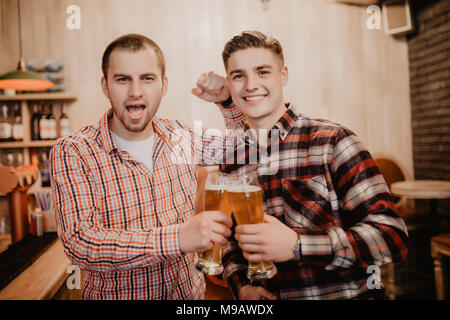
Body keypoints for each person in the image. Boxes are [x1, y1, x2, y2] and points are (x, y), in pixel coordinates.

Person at [194, 31, 409, 300]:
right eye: (239, 75)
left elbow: (392, 237)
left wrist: (298, 245)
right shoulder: (233, 160)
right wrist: (241, 286)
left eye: (263, 72)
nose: (250, 85)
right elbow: (229, 242)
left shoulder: (333, 141)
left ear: (283, 75)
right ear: (229, 83)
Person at [49, 34, 240, 300]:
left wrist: (228, 102)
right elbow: (81, 243)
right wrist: (177, 238)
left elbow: (247, 149)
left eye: (147, 78)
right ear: (105, 86)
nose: (135, 91)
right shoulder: (74, 151)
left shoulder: (181, 136)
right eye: (122, 79)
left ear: (163, 85)